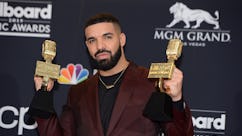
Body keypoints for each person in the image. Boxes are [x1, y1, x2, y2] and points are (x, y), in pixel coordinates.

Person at [29, 13, 194, 136]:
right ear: (87, 45)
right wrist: (43, 95)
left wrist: (177, 100)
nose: (100, 46)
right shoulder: (78, 92)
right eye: (92, 40)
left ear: (122, 39)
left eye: (107, 37)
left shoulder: (152, 82)